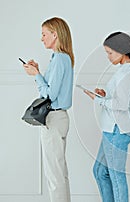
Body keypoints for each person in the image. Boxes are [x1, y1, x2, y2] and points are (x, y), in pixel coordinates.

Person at [84, 32, 130, 202]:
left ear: (122, 51)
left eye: (110, 53)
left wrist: (98, 100)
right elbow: (119, 99)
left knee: (116, 176)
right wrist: (105, 95)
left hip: (117, 130)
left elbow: (121, 105)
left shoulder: (127, 72)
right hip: (113, 129)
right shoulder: (125, 70)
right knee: (99, 171)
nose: (108, 57)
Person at [23, 17, 75, 202]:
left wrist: (36, 75)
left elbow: (49, 95)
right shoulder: (61, 58)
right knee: (58, 172)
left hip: (54, 119)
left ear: (55, 34)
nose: (42, 38)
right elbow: (51, 90)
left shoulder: (60, 59)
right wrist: (39, 73)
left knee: (54, 174)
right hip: (57, 118)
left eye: (44, 34)